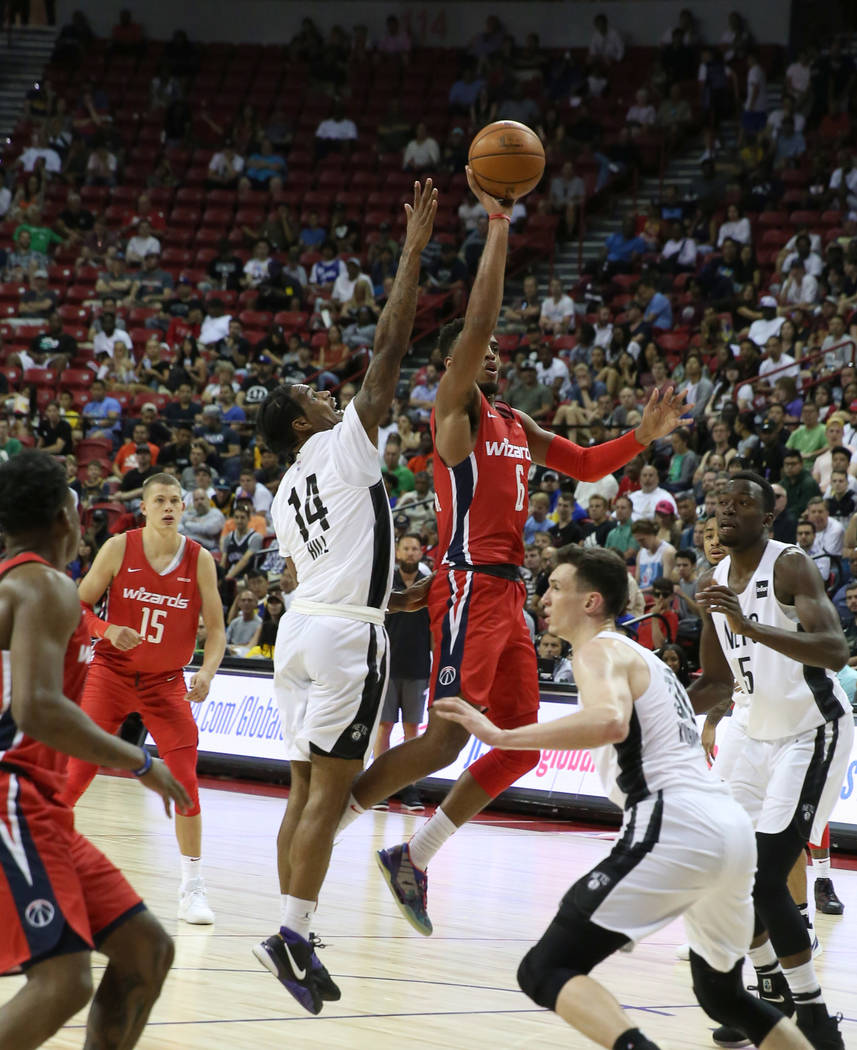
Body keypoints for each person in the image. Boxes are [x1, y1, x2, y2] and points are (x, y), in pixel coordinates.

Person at [336, 166, 690, 939]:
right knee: (444, 738)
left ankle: (414, 857)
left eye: (496, 349)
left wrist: (645, 437)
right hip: (465, 585)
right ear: (458, 363)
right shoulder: (451, 420)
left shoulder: (515, 424)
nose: (488, 351)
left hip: (508, 597)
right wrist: (497, 225)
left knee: (520, 743)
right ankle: (337, 812)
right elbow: (475, 322)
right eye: (476, 348)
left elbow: (592, 466)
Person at [434, 546, 813, 1050]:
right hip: (728, 829)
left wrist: (501, 737)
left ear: (592, 601)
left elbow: (609, 720)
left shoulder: (599, 651)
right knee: (724, 996)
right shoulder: (643, 657)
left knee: (545, 968)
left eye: (557, 588)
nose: (544, 597)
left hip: (675, 823)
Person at [250, 180, 438, 1015]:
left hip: (299, 633)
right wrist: (409, 253)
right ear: (302, 423)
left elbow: (318, 562)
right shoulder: (338, 445)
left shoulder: (285, 489)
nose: (330, 395)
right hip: (344, 639)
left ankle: (290, 927)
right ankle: (291, 933)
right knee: (330, 795)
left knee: (303, 794)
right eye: (314, 398)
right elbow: (390, 349)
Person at [0, 451, 190, 1050]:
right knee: (63, 982)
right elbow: (36, 707)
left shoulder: (28, 584)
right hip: (13, 798)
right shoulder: (43, 586)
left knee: (146, 950)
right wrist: (141, 761)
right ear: (66, 515)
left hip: (43, 806)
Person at [691, 472, 852, 1049]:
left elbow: (835, 650)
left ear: (767, 516)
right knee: (719, 868)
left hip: (810, 731)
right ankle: (767, 990)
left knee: (763, 877)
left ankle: (812, 1016)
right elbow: (714, 681)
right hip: (750, 733)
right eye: (720, 505)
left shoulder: (789, 565)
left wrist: (749, 624)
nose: (727, 513)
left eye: (741, 505)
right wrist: (657, 716)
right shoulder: (711, 580)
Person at [58, 474, 226, 925]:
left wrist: (207, 672)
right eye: (160, 500)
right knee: (74, 775)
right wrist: (108, 629)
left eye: (175, 500)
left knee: (186, 781)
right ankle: (36, 865)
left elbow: (217, 629)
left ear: (183, 508)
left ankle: (192, 888)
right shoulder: (118, 548)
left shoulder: (200, 559)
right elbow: (78, 604)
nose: (169, 506)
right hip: (110, 674)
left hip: (166, 682)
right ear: (145, 508)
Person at [373, 533, 432, 813]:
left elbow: (436, 627)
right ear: (397, 552)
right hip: (387, 665)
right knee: (384, 727)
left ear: (421, 553)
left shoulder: (429, 582)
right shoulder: (386, 580)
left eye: (415, 549)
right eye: (406, 548)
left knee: (412, 730)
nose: (410, 553)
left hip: (418, 666)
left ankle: (410, 788)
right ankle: (379, 787)